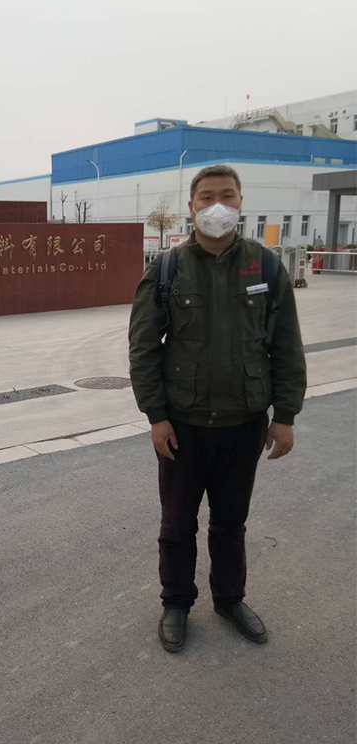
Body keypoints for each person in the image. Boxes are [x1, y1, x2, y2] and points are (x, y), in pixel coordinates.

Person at [128, 164, 307, 653]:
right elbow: (143, 348)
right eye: (206, 197)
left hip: (245, 424)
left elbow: (286, 346)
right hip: (182, 425)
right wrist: (156, 417)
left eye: (227, 195)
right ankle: (176, 603)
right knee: (177, 525)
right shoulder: (167, 269)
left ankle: (229, 600)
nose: (217, 206)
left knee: (230, 523)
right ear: (191, 206)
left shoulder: (265, 266)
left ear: (241, 202)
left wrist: (285, 415)